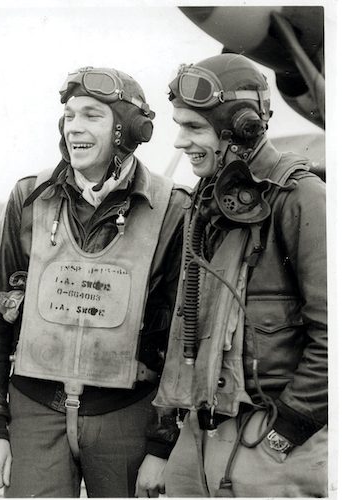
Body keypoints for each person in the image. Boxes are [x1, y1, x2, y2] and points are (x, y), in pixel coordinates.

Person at [0, 66, 189, 497]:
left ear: (128, 129)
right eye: (69, 116)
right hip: (36, 412)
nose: (74, 127)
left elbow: (181, 338)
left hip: (126, 414)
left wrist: (162, 444)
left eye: (91, 115)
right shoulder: (29, 198)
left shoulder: (173, 208)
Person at [154, 53, 327, 497]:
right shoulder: (206, 199)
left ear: (241, 129)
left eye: (194, 128)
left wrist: (287, 430)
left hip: (270, 434)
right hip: (202, 429)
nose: (180, 142)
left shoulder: (300, 196)